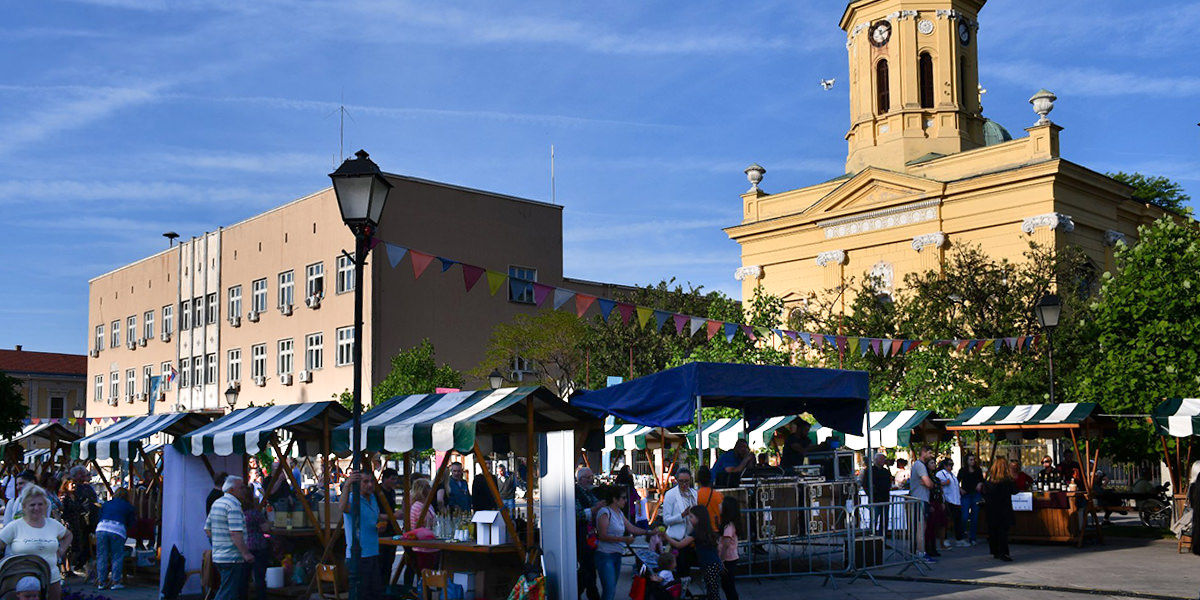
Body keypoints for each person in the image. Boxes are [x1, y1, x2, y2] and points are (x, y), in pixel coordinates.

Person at [0, 485, 72, 600]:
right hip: (23, 584)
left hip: (52, 579)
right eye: (32, 505)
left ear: (45, 506)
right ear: (24, 507)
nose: (36, 508)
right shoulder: (14, 526)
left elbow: (68, 535)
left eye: (40, 504)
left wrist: (61, 550)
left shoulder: (53, 524)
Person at [594, 485, 651, 600]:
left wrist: (649, 532)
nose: (626, 501)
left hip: (616, 554)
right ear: (615, 499)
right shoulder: (605, 513)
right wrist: (624, 539)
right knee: (609, 591)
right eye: (623, 498)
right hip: (605, 555)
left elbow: (632, 528)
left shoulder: (619, 513)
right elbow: (603, 536)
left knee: (612, 589)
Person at [659, 505, 722, 600]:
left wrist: (666, 536)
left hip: (709, 565)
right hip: (713, 564)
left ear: (699, 518)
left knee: (712, 592)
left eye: (691, 517)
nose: (689, 519)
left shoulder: (696, 533)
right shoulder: (707, 530)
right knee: (712, 590)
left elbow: (679, 545)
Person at [205, 476, 253, 600]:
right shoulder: (234, 506)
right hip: (232, 557)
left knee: (228, 590)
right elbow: (235, 533)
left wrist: (218, 543)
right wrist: (245, 553)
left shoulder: (217, 503)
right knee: (228, 593)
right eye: (241, 487)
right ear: (232, 490)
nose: (244, 490)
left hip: (219, 556)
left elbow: (207, 529)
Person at [339, 471, 382, 599]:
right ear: (358, 484)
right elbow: (342, 507)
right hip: (359, 556)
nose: (369, 485)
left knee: (376, 593)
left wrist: (383, 523)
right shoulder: (353, 498)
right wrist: (347, 485)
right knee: (362, 593)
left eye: (371, 481)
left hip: (373, 552)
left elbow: (374, 517)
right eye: (365, 482)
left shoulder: (372, 498)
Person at [94, 487, 136, 590]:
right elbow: (131, 523)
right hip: (117, 530)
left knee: (101, 555)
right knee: (117, 556)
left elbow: (100, 516)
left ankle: (101, 582)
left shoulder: (107, 503)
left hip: (101, 528)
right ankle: (115, 581)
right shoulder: (129, 506)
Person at [660, 467, 698, 577]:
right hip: (676, 538)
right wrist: (682, 515)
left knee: (687, 568)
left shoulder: (694, 494)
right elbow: (666, 520)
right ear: (676, 480)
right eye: (681, 481)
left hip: (690, 538)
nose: (684, 484)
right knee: (678, 570)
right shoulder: (671, 494)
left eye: (686, 481)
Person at [574, 468, 602, 600]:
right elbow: (577, 515)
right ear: (580, 480)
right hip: (579, 538)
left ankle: (590, 594)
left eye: (592, 476)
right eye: (588, 477)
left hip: (590, 538)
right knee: (585, 571)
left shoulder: (590, 493)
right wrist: (595, 509)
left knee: (590, 570)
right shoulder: (575, 493)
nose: (591, 479)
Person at [406, 478, 439, 586]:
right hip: (422, 546)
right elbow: (423, 523)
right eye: (428, 488)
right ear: (423, 490)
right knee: (425, 575)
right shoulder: (417, 506)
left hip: (431, 544)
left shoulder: (428, 505)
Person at [983, 457, 1016, 562]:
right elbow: (1015, 490)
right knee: (1003, 532)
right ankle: (1003, 552)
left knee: (993, 530)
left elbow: (985, 493)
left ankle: (995, 550)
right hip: (1004, 509)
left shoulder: (990, 481)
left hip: (992, 509)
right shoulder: (1007, 481)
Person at [242, 486, 272, 600]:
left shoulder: (238, 514)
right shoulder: (254, 513)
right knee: (259, 577)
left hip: (244, 546)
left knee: (244, 578)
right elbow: (265, 528)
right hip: (258, 546)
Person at [908, 447, 935, 562]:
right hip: (920, 499)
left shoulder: (920, 466)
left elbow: (928, 483)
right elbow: (929, 483)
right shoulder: (920, 465)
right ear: (923, 453)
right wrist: (928, 482)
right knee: (920, 527)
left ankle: (920, 551)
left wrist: (928, 483)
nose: (931, 455)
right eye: (929, 452)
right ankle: (920, 552)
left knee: (922, 527)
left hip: (922, 499)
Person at [936, 458, 965, 549]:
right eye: (949, 465)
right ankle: (944, 539)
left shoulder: (952, 474)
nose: (951, 467)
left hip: (956, 500)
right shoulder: (941, 474)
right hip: (948, 500)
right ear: (944, 465)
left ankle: (959, 539)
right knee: (946, 521)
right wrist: (944, 483)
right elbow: (937, 484)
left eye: (952, 465)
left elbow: (955, 485)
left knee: (957, 520)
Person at [717, 496, 742, 600]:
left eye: (721, 504)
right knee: (728, 585)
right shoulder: (731, 525)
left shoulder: (728, 527)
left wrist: (721, 560)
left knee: (728, 585)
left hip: (728, 559)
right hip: (730, 558)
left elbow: (726, 544)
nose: (719, 506)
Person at [861, 452, 892, 535]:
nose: (883, 461)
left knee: (884, 520)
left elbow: (889, 482)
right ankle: (873, 537)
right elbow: (865, 484)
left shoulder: (885, 471)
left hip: (885, 498)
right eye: (882, 459)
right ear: (876, 460)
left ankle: (883, 538)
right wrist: (870, 494)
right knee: (874, 520)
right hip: (875, 499)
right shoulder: (870, 471)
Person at [958, 453, 983, 546]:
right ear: (966, 461)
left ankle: (973, 537)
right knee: (964, 516)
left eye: (973, 459)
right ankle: (963, 535)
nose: (972, 461)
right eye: (970, 460)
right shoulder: (962, 471)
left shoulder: (978, 470)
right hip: (966, 494)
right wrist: (960, 489)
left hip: (976, 494)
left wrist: (980, 484)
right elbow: (957, 481)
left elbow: (982, 480)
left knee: (975, 517)